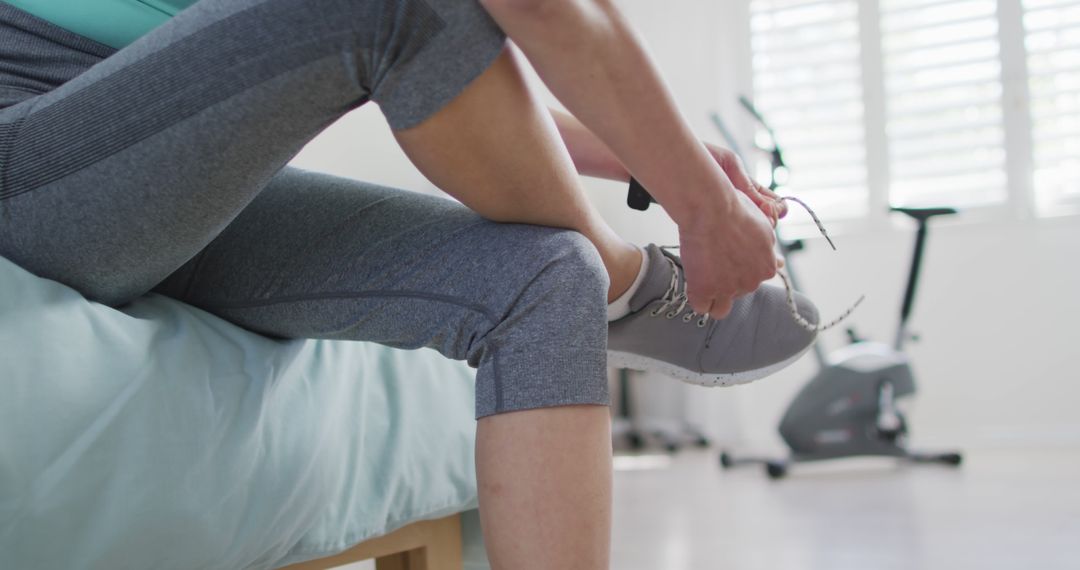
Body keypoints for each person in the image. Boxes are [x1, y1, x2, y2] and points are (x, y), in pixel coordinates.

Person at [0, 0, 819, 567]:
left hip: (176, 171)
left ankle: (602, 280)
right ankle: (625, 280)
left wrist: (630, 153)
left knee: (543, 272)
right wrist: (701, 203)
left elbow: (366, 57)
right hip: (30, 157)